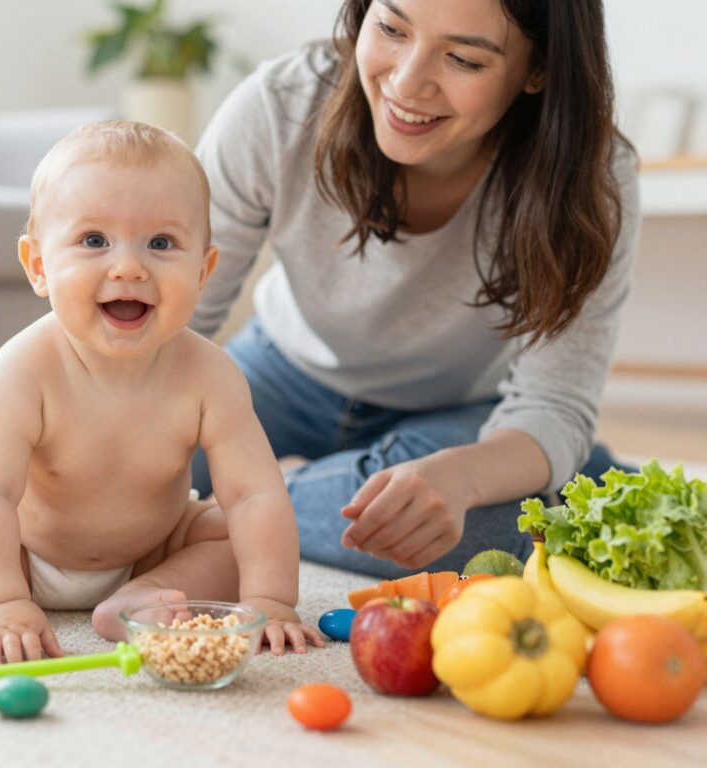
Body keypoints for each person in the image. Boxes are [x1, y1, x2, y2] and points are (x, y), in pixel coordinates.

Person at [190, 0, 640, 579]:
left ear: (539, 69)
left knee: (485, 536)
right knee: (119, 478)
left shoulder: (591, 178)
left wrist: (464, 476)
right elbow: (176, 319)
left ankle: (224, 512)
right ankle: (568, 477)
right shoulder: (280, 107)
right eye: (390, 28)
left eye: (462, 59)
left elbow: (553, 406)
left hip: (452, 411)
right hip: (279, 374)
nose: (406, 83)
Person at [0, 120, 323, 665]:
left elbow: (254, 495)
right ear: (39, 266)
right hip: (19, 551)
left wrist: (270, 599)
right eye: (94, 241)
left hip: (150, 553)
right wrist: (1, 599)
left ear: (204, 270)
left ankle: (138, 601)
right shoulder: (22, 368)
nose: (128, 267)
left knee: (232, 532)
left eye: (161, 243)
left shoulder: (212, 375)